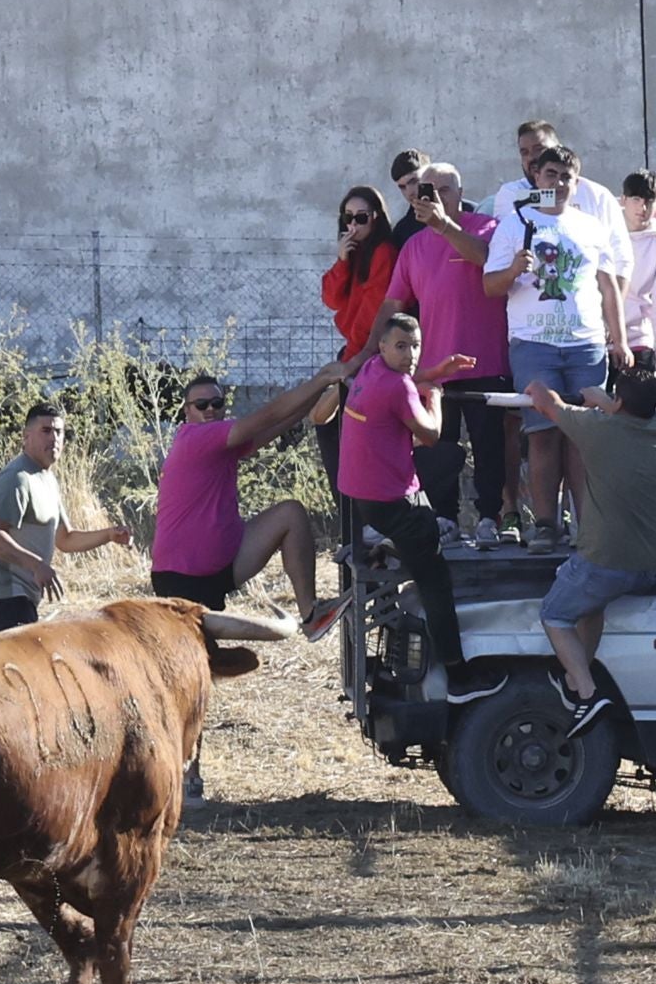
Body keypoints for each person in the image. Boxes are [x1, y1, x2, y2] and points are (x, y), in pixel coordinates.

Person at [340, 314, 503, 704]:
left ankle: (395, 542)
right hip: (391, 503)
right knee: (436, 583)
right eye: (401, 346)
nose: (410, 355)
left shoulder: (370, 370)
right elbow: (429, 434)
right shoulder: (397, 386)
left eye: (415, 346)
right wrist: (437, 399)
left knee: (443, 470)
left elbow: (409, 382)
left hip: (363, 500)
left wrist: (435, 372)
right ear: (383, 346)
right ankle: (459, 677)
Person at [351, 162, 514, 549]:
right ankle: (445, 516)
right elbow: (393, 304)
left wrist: (444, 225)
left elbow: (488, 260)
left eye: (442, 190)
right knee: (436, 447)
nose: (433, 199)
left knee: (489, 445)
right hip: (434, 369)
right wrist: (364, 355)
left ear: (459, 193)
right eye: (426, 191)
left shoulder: (486, 227)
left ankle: (491, 516)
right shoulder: (413, 245)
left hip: (485, 363)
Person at [483, 145, 630, 555]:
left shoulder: (591, 226)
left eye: (566, 176)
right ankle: (546, 524)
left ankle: (589, 528)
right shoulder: (515, 223)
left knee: (584, 438)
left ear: (576, 182)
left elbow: (608, 287)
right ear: (536, 178)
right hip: (534, 344)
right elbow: (490, 286)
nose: (558, 183)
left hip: (584, 344)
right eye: (551, 175)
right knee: (543, 436)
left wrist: (618, 340)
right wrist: (514, 269)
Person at [524, 369, 656, 737]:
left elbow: (545, 401)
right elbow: (628, 413)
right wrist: (606, 402)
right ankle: (577, 682)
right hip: (648, 563)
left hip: (604, 561)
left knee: (555, 614)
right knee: (591, 605)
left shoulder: (598, 430)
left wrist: (535, 382)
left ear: (618, 401)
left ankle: (588, 694)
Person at [149, 371, 352, 640]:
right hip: (181, 579)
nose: (209, 410)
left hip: (221, 567)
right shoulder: (196, 438)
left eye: (216, 404)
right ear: (187, 411)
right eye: (201, 405)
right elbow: (269, 415)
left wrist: (330, 390)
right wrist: (325, 377)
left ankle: (311, 615)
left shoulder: (224, 445)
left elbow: (279, 423)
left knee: (291, 514)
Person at [0, 403, 132, 637]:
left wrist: (108, 535)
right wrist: (36, 565)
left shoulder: (48, 479)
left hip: (24, 598)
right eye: (46, 431)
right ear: (26, 437)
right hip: (3, 597)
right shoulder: (17, 478)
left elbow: (66, 539)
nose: (54, 438)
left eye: (59, 432)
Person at [485, 121, 634, 297]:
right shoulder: (512, 194)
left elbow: (621, 260)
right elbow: (503, 260)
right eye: (524, 152)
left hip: (586, 315)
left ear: (559, 150)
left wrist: (607, 317)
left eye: (538, 149)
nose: (531, 158)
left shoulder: (598, 196)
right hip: (531, 313)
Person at [318, 187, 399, 493]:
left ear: (376, 218)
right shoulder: (355, 254)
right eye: (347, 217)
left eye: (361, 218)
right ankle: (350, 514)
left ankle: (358, 512)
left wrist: (352, 361)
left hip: (370, 355)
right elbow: (331, 298)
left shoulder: (383, 253)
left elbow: (373, 312)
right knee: (332, 428)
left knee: (348, 434)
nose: (353, 225)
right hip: (354, 353)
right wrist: (341, 261)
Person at [620, 170, 656, 387]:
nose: (642, 208)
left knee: (634, 417)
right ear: (624, 200)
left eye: (649, 201)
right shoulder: (603, 234)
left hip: (639, 344)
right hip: (596, 343)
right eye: (636, 199)